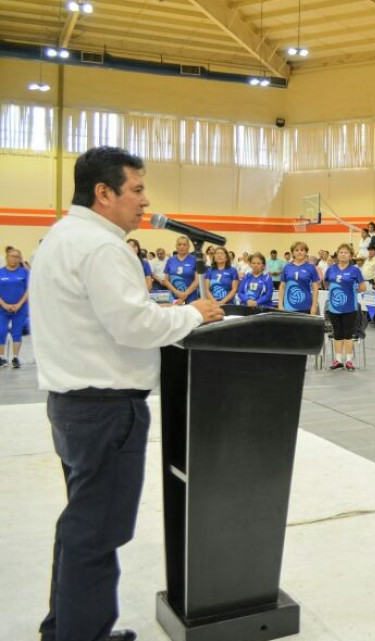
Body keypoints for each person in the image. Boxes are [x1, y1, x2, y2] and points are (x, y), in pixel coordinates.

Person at [31, 147, 224, 641]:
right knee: (97, 533)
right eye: (136, 190)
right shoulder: (101, 246)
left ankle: (66, 629)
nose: (145, 202)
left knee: (82, 525)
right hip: (105, 409)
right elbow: (133, 324)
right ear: (103, 193)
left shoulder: (64, 235)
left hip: (75, 405)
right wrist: (192, 315)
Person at [324, 243, 366, 370]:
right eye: (341, 252)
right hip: (334, 307)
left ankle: (348, 360)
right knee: (337, 333)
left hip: (349, 307)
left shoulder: (355, 270)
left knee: (348, 334)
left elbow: (362, 287)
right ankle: (338, 360)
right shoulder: (331, 269)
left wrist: (351, 291)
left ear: (350, 255)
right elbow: (326, 284)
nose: (343, 254)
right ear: (337, 254)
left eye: (346, 252)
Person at [0, 247, 29, 368]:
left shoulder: (25, 273)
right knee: (1, 331)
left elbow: (29, 290)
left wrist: (19, 304)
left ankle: (15, 358)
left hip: (20, 308)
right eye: (12, 256)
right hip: (2, 308)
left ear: (20, 259)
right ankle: (1, 358)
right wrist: (4, 304)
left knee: (16, 333)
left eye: (17, 257)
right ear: (7, 257)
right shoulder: (1, 272)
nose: (14, 259)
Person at [278, 241, 320, 315]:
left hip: (306, 306)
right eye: (296, 250)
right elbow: (282, 287)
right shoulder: (287, 267)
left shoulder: (311, 267)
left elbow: (315, 289)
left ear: (306, 252)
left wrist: (314, 306)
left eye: (302, 250)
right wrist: (280, 305)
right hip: (288, 307)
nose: (299, 252)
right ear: (293, 253)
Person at [163, 235, 199, 304]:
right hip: (174, 295)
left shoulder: (194, 260)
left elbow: (197, 281)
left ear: (188, 246)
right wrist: (177, 292)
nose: (182, 246)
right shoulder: (170, 260)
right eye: (179, 244)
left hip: (191, 296)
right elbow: (166, 280)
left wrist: (185, 294)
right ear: (176, 246)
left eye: (184, 244)